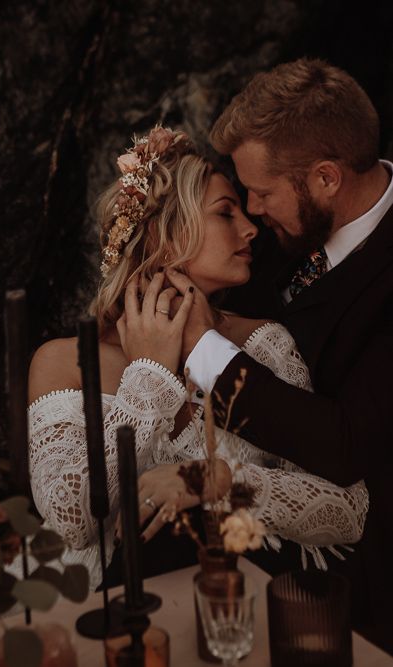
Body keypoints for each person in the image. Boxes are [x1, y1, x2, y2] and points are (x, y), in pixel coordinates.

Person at [27, 125, 367, 590]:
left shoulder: (266, 342)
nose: (250, 227)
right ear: (165, 232)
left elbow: (346, 512)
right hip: (109, 612)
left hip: (241, 597)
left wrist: (213, 479)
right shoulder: (64, 362)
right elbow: (74, 522)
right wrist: (150, 377)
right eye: (225, 213)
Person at [175, 58, 393, 653]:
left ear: (326, 178)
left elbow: (348, 443)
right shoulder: (291, 230)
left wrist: (203, 351)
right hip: (274, 565)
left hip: (373, 594)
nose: (252, 210)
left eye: (262, 192)